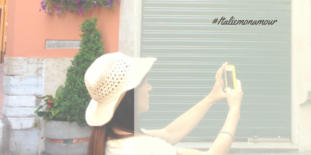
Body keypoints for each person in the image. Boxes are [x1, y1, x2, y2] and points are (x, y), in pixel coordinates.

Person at [84, 52, 243, 155]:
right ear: (130, 96)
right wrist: (234, 109)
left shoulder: (113, 135)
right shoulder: (141, 148)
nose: (150, 88)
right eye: (145, 84)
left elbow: (169, 133)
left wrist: (212, 97)